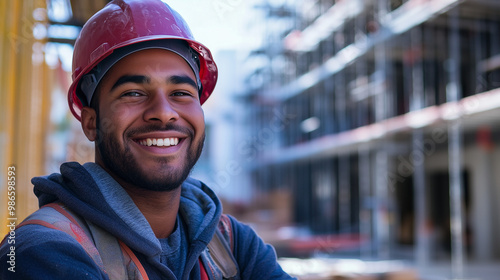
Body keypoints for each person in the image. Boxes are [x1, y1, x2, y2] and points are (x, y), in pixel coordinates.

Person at [0, 0, 294, 279]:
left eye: (181, 93)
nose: (164, 114)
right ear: (91, 123)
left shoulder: (233, 245)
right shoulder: (42, 251)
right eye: (133, 93)